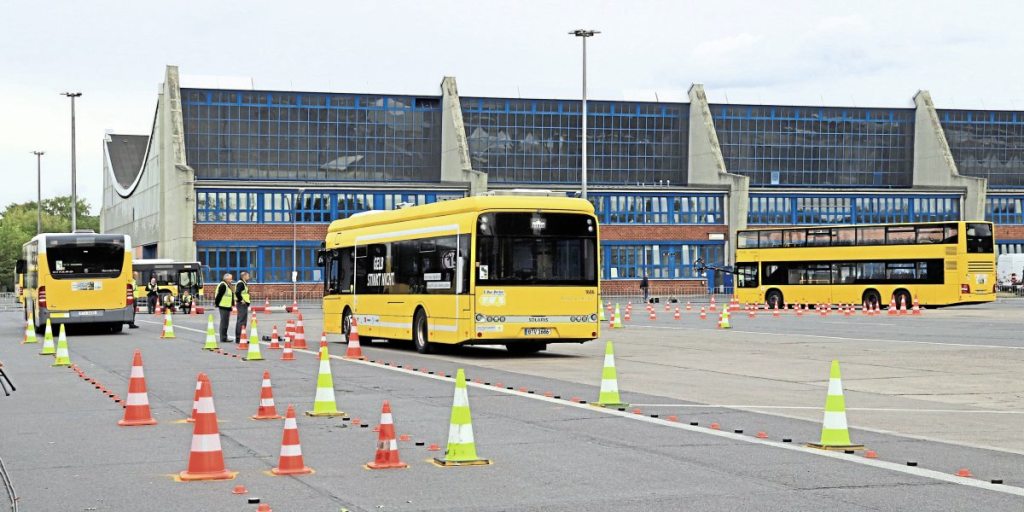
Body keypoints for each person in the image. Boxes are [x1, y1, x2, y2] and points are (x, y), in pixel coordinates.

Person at [214, 273, 234, 343]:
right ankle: (223, 338)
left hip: (227, 306)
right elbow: (219, 296)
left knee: (226, 322)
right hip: (223, 306)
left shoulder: (227, 285)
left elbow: (231, 294)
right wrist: (216, 304)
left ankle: (224, 337)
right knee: (224, 322)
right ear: (226, 279)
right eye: (230, 278)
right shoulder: (223, 285)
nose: (232, 280)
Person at [234, 271, 252, 344]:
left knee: (242, 320)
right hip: (242, 304)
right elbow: (237, 292)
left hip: (243, 304)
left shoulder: (243, 283)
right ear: (244, 276)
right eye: (248, 275)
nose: (249, 277)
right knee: (241, 321)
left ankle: (242, 337)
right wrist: (241, 300)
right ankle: (239, 338)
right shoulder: (241, 283)